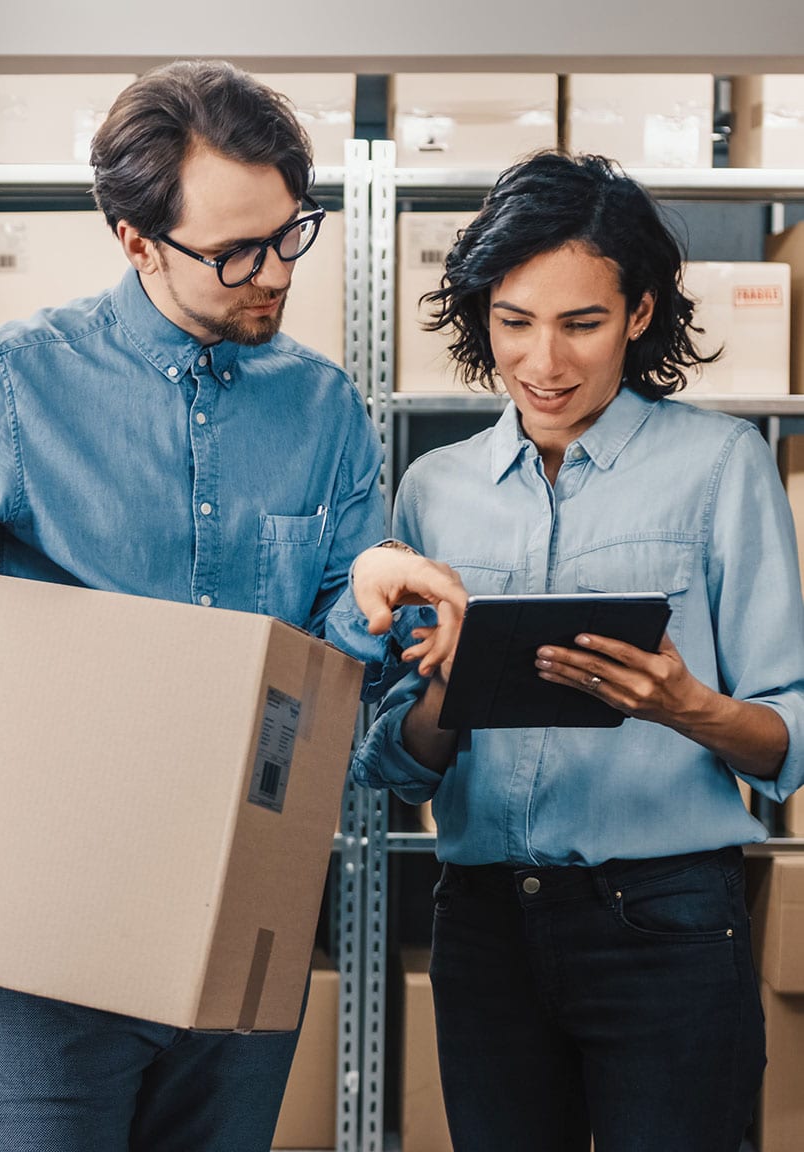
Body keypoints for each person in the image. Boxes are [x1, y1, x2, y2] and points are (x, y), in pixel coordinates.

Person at [0, 60, 384, 1151]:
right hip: (46, 946)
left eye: (289, 234)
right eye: (233, 252)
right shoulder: (9, 386)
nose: (273, 273)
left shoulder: (325, 412)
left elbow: (336, 674)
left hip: (242, 936)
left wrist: (378, 614)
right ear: (135, 243)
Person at [327, 151, 804, 1152]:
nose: (543, 361)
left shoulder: (722, 466)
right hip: (485, 927)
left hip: (665, 924)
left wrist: (686, 707)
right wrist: (443, 689)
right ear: (481, 316)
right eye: (514, 322)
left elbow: (785, 735)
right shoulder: (432, 490)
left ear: (637, 314)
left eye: (581, 323)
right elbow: (387, 760)